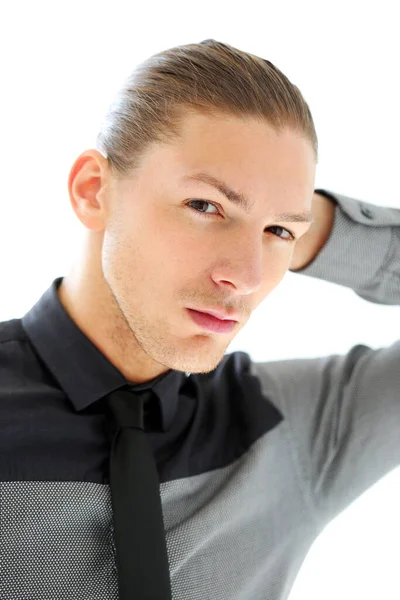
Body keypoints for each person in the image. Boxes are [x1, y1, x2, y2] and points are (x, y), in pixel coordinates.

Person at [0, 39, 399, 600]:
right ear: (94, 191)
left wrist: (307, 225)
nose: (246, 274)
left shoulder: (293, 429)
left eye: (280, 234)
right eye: (206, 206)